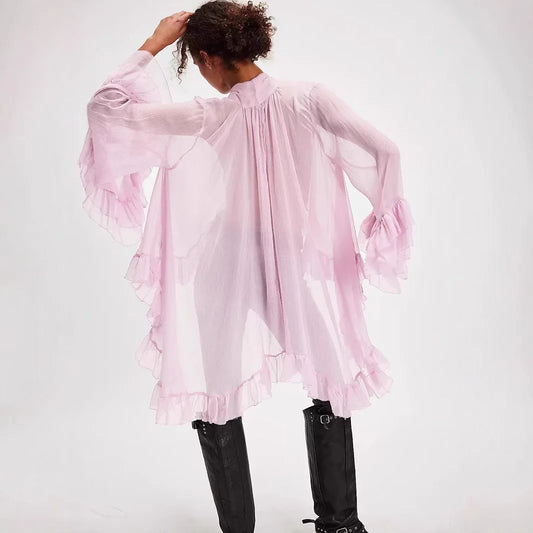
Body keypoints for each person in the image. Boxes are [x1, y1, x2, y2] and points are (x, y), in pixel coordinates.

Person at [78, 2, 414, 532]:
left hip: (224, 266)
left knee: (216, 392)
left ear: (208, 59)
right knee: (328, 379)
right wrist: (382, 220)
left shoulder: (207, 115)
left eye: (197, 63)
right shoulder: (309, 98)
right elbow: (386, 151)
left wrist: (155, 42)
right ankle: (341, 524)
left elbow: (107, 109)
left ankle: (240, 529)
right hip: (292, 264)